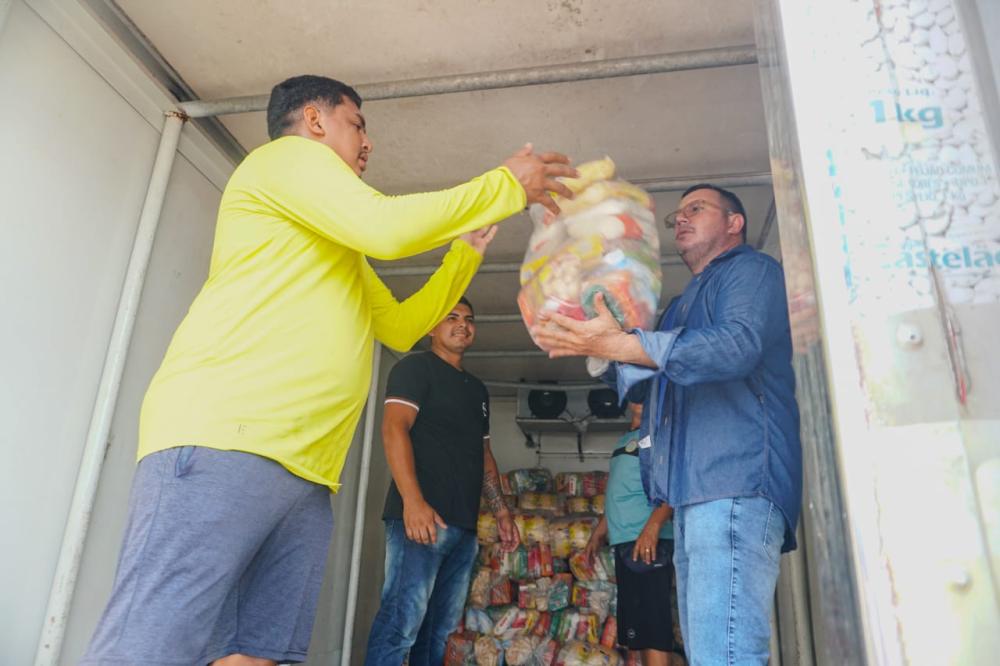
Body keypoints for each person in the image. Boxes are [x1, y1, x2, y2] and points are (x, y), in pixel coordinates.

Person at [82, 74, 576, 666]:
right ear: (315, 121)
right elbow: (387, 227)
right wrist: (503, 185)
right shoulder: (283, 160)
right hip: (225, 441)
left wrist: (464, 253)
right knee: (148, 645)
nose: (368, 142)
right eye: (357, 124)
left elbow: (399, 327)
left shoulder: (336, 244)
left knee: (255, 654)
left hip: (307, 473)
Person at [531, 184, 802, 665]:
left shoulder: (752, 271)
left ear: (735, 222)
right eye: (676, 215)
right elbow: (644, 386)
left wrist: (630, 346)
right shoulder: (680, 305)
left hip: (734, 482)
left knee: (726, 653)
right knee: (709, 654)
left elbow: (736, 346)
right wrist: (597, 342)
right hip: (692, 495)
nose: (681, 220)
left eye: (696, 209)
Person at [364, 297, 517, 665]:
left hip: (462, 528)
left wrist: (501, 512)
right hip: (420, 523)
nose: (463, 324)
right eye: (452, 317)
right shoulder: (415, 369)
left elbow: (484, 454)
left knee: (440, 632)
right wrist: (413, 502)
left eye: (469, 318)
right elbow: (394, 429)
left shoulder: (477, 390)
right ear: (432, 327)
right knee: (400, 625)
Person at [584, 403, 679, 666]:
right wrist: (598, 533)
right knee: (639, 634)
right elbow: (619, 493)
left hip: (647, 543)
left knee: (654, 632)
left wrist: (653, 528)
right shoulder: (624, 440)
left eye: (644, 393)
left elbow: (672, 487)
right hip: (627, 544)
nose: (638, 398)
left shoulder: (660, 435)